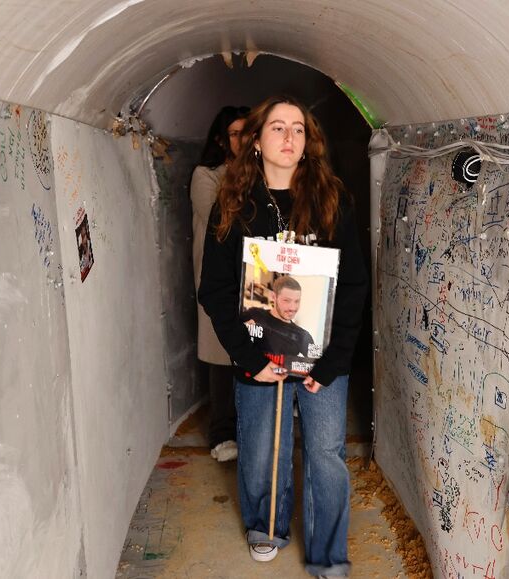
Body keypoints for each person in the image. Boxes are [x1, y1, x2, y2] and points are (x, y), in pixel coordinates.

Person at [198, 96, 368, 578]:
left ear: (308, 142)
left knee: (325, 453)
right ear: (255, 140)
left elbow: (353, 285)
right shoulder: (233, 207)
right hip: (259, 356)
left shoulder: (333, 200)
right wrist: (250, 359)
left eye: (298, 129)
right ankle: (265, 526)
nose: (289, 137)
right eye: (277, 127)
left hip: (322, 359)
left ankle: (328, 551)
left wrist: (333, 361)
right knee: (258, 448)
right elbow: (214, 289)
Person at [190, 105, 250, 462]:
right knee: (220, 354)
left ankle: (247, 426)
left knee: (253, 347)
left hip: (253, 277)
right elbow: (222, 219)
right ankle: (221, 434)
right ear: (221, 139)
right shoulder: (206, 175)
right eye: (234, 133)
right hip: (219, 276)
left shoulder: (259, 173)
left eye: (248, 132)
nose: (242, 140)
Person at [241, 275, 315, 359]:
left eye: (297, 301)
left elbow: (319, 364)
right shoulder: (253, 314)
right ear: (273, 296)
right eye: (286, 300)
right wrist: (242, 330)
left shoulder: (304, 336)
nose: (292, 308)